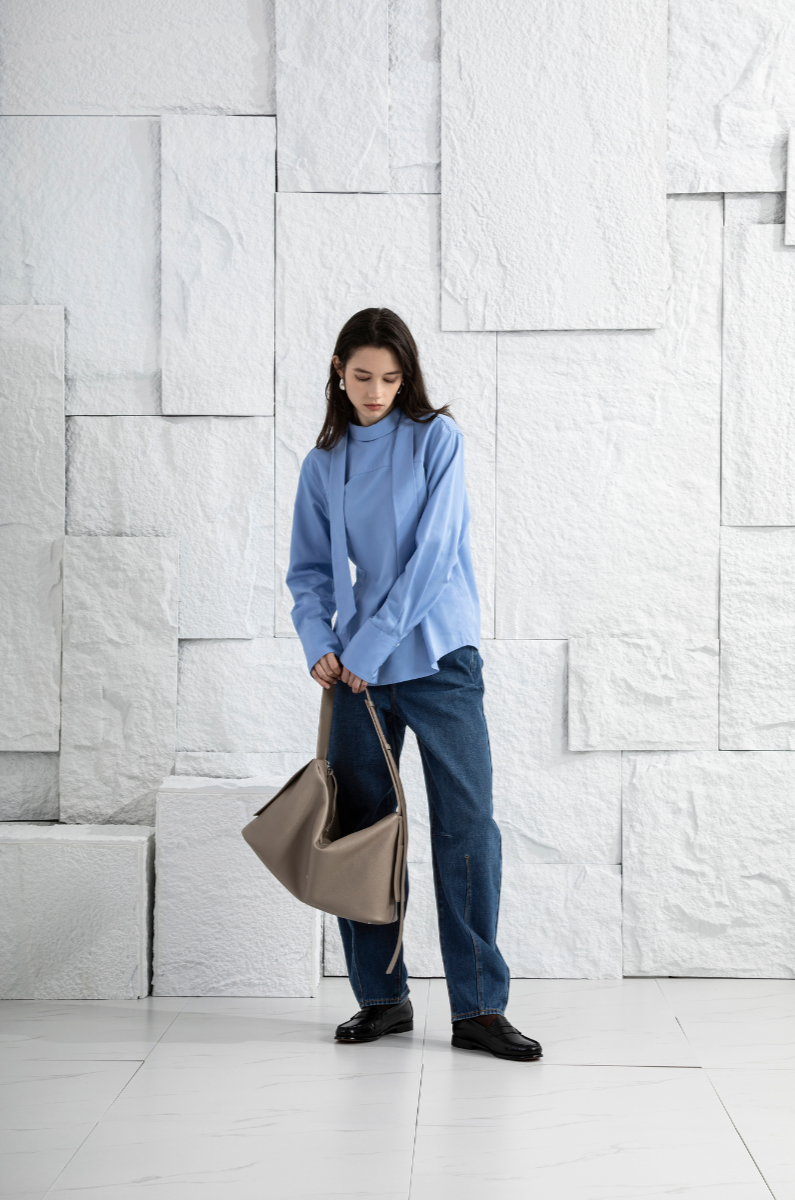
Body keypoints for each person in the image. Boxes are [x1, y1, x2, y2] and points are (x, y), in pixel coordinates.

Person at [286, 307, 542, 1062]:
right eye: (363, 375)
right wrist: (320, 642)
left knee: (467, 827)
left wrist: (367, 644)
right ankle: (380, 998)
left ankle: (479, 1009)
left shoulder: (437, 439)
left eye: (391, 378)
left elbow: (435, 554)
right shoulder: (323, 465)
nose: (376, 392)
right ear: (339, 371)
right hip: (357, 676)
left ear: (407, 378)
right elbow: (307, 572)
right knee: (359, 831)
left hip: (438, 660)